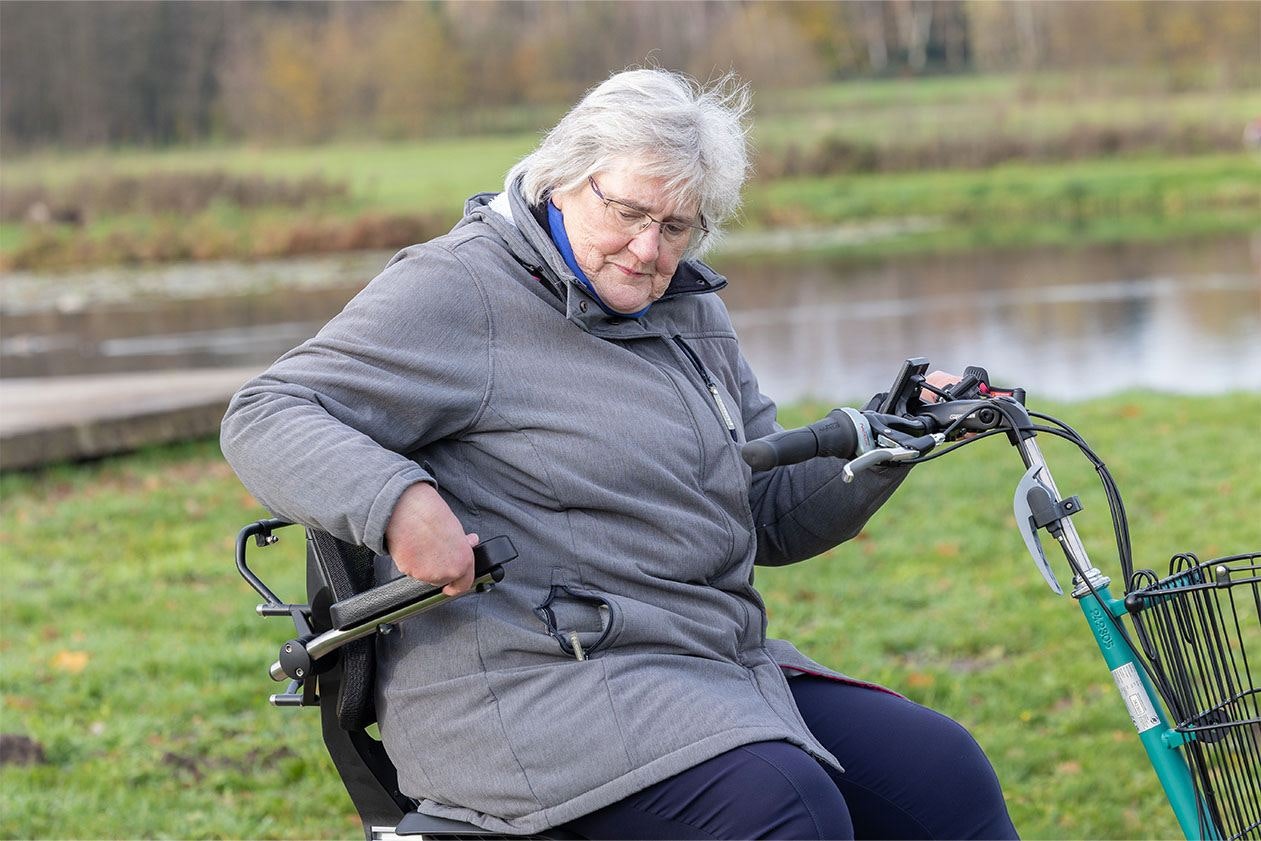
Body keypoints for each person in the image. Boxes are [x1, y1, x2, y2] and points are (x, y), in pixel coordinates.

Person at [221, 68, 1018, 840]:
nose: (647, 249)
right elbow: (265, 412)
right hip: (528, 683)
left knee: (940, 772)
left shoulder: (685, 312)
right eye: (630, 213)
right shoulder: (459, 288)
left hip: (704, 660)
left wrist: (895, 436)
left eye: (676, 227)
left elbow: (765, 514)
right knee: (783, 809)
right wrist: (395, 502)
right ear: (562, 178)